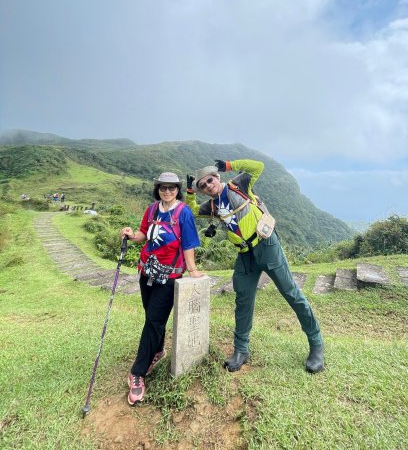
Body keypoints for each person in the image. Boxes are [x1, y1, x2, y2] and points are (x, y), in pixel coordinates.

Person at [186, 159, 324, 374]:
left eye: (209, 180)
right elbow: (192, 210)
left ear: (217, 177)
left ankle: (316, 345)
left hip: (266, 245)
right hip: (245, 254)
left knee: (291, 293)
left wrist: (229, 165)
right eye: (202, 185)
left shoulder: (238, 185)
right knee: (243, 300)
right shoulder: (211, 206)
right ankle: (241, 350)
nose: (207, 186)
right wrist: (190, 192)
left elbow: (257, 167)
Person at [121, 172, 204, 406]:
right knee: (152, 318)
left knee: (153, 321)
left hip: (168, 276)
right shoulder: (152, 209)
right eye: (162, 187)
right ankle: (157, 351)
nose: (167, 191)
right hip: (146, 271)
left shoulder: (183, 213)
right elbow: (143, 234)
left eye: (172, 188)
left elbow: (188, 243)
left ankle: (137, 372)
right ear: (157, 189)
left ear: (178, 190)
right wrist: (131, 234)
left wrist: (192, 269)